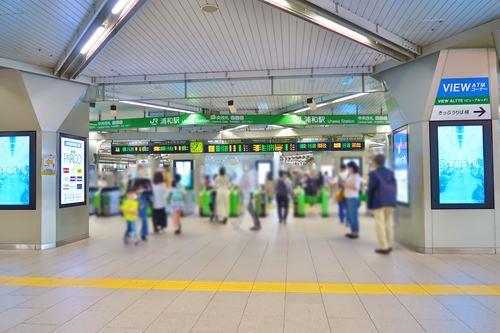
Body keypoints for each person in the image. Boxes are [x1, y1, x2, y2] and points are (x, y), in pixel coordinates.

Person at [367, 154, 397, 255]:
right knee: (389, 223)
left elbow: (371, 190)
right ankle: (389, 244)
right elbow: (394, 186)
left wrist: (369, 204)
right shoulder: (390, 172)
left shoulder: (374, 174)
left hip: (379, 201)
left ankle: (383, 246)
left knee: (379, 223)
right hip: (390, 201)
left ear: (375, 162)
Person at [341, 161, 362, 239]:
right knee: (350, 215)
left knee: (353, 216)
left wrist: (345, 185)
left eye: (349, 167)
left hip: (352, 198)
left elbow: (356, 187)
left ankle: (355, 232)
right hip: (348, 197)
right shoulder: (350, 175)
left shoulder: (356, 176)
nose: (348, 169)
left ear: (352, 168)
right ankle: (353, 231)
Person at [239, 164, 261, 231]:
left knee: (251, 209)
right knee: (251, 209)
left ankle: (257, 224)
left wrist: (241, 189)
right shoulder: (251, 175)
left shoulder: (246, 175)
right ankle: (257, 224)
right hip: (250, 193)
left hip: (247, 194)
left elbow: (242, 184)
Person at [133, 177, 152, 241]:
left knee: (144, 219)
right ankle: (131, 233)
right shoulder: (135, 192)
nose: (141, 188)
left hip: (143, 207)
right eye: (139, 186)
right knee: (132, 221)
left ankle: (143, 234)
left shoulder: (146, 193)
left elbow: (150, 196)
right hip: (135, 207)